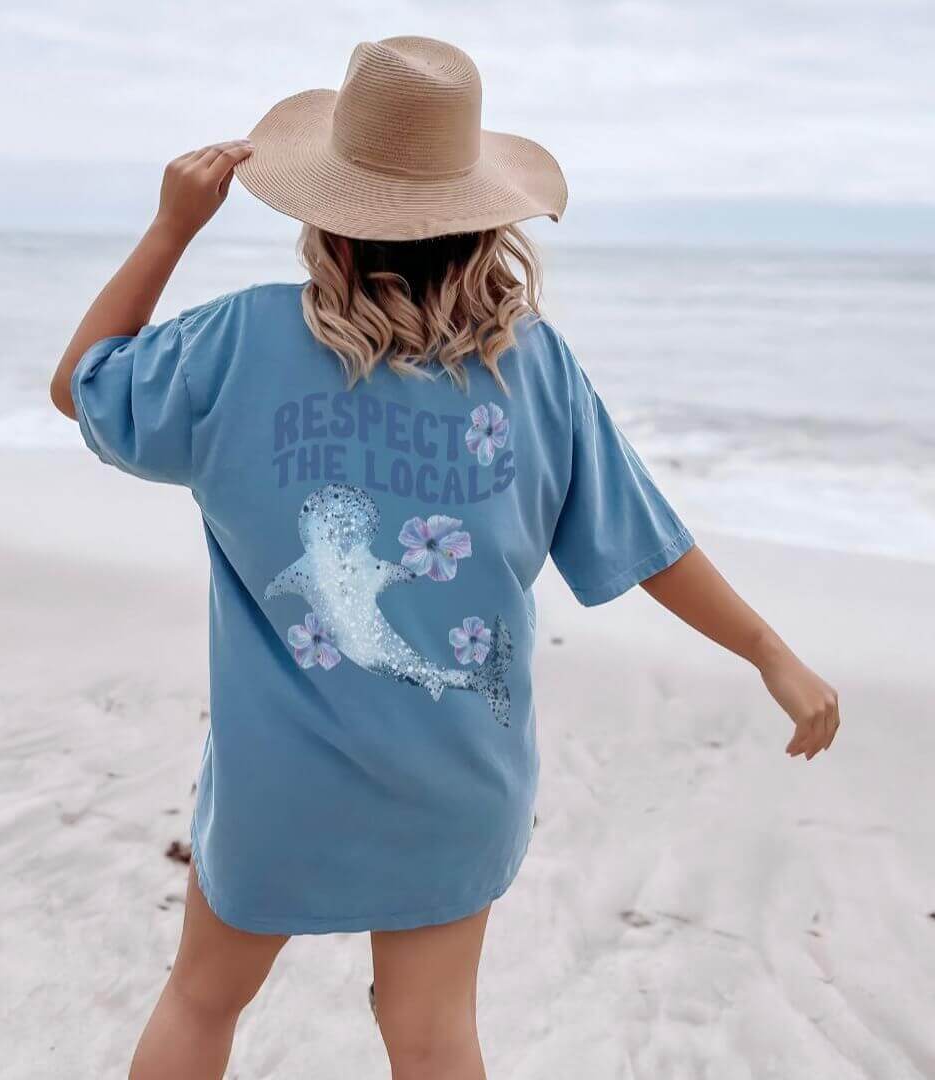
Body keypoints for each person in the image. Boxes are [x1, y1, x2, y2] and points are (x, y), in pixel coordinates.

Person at [50, 36, 840, 1080]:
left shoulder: (238, 343)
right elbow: (648, 540)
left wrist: (170, 227)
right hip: (457, 777)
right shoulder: (533, 367)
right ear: (482, 226)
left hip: (280, 783)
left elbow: (82, 386)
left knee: (202, 999)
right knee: (432, 1038)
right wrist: (770, 653)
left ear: (320, 216)